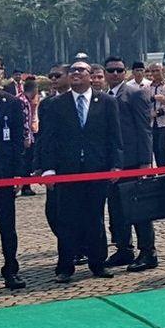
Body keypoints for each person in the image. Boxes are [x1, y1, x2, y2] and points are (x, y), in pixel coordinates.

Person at [41, 61, 123, 283]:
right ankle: (65, 266)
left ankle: (98, 263)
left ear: (91, 76)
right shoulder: (56, 104)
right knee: (67, 219)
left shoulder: (107, 102)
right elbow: (48, 139)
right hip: (68, 172)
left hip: (96, 170)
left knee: (95, 217)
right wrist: (48, 169)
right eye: (73, 71)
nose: (76, 74)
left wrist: (116, 165)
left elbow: (115, 137)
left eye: (81, 70)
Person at [103, 56, 157, 272]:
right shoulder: (104, 96)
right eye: (111, 70)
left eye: (119, 70)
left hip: (134, 161)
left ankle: (148, 252)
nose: (115, 74)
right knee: (117, 210)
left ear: (125, 72)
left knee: (138, 210)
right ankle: (124, 249)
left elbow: (145, 129)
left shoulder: (135, 93)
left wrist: (145, 162)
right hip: (112, 164)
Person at [0, 55, 26, 289]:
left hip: (3, 171)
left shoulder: (12, 103)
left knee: (7, 225)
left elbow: (18, 141)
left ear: (1, 73)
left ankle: (11, 270)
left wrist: (18, 174)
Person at [33, 64, 70, 243]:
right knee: (53, 211)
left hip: (77, 164)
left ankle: (81, 247)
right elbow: (43, 135)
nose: (53, 79)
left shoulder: (81, 100)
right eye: (51, 76)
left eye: (58, 75)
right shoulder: (46, 104)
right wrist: (39, 164)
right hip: (53, 164)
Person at [20, 78, 39, 196]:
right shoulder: (24, 102)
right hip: (24, 138)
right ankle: (26, 187)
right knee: (26, 163)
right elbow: (25, 121)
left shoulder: (19, 98)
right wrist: (27, 137)